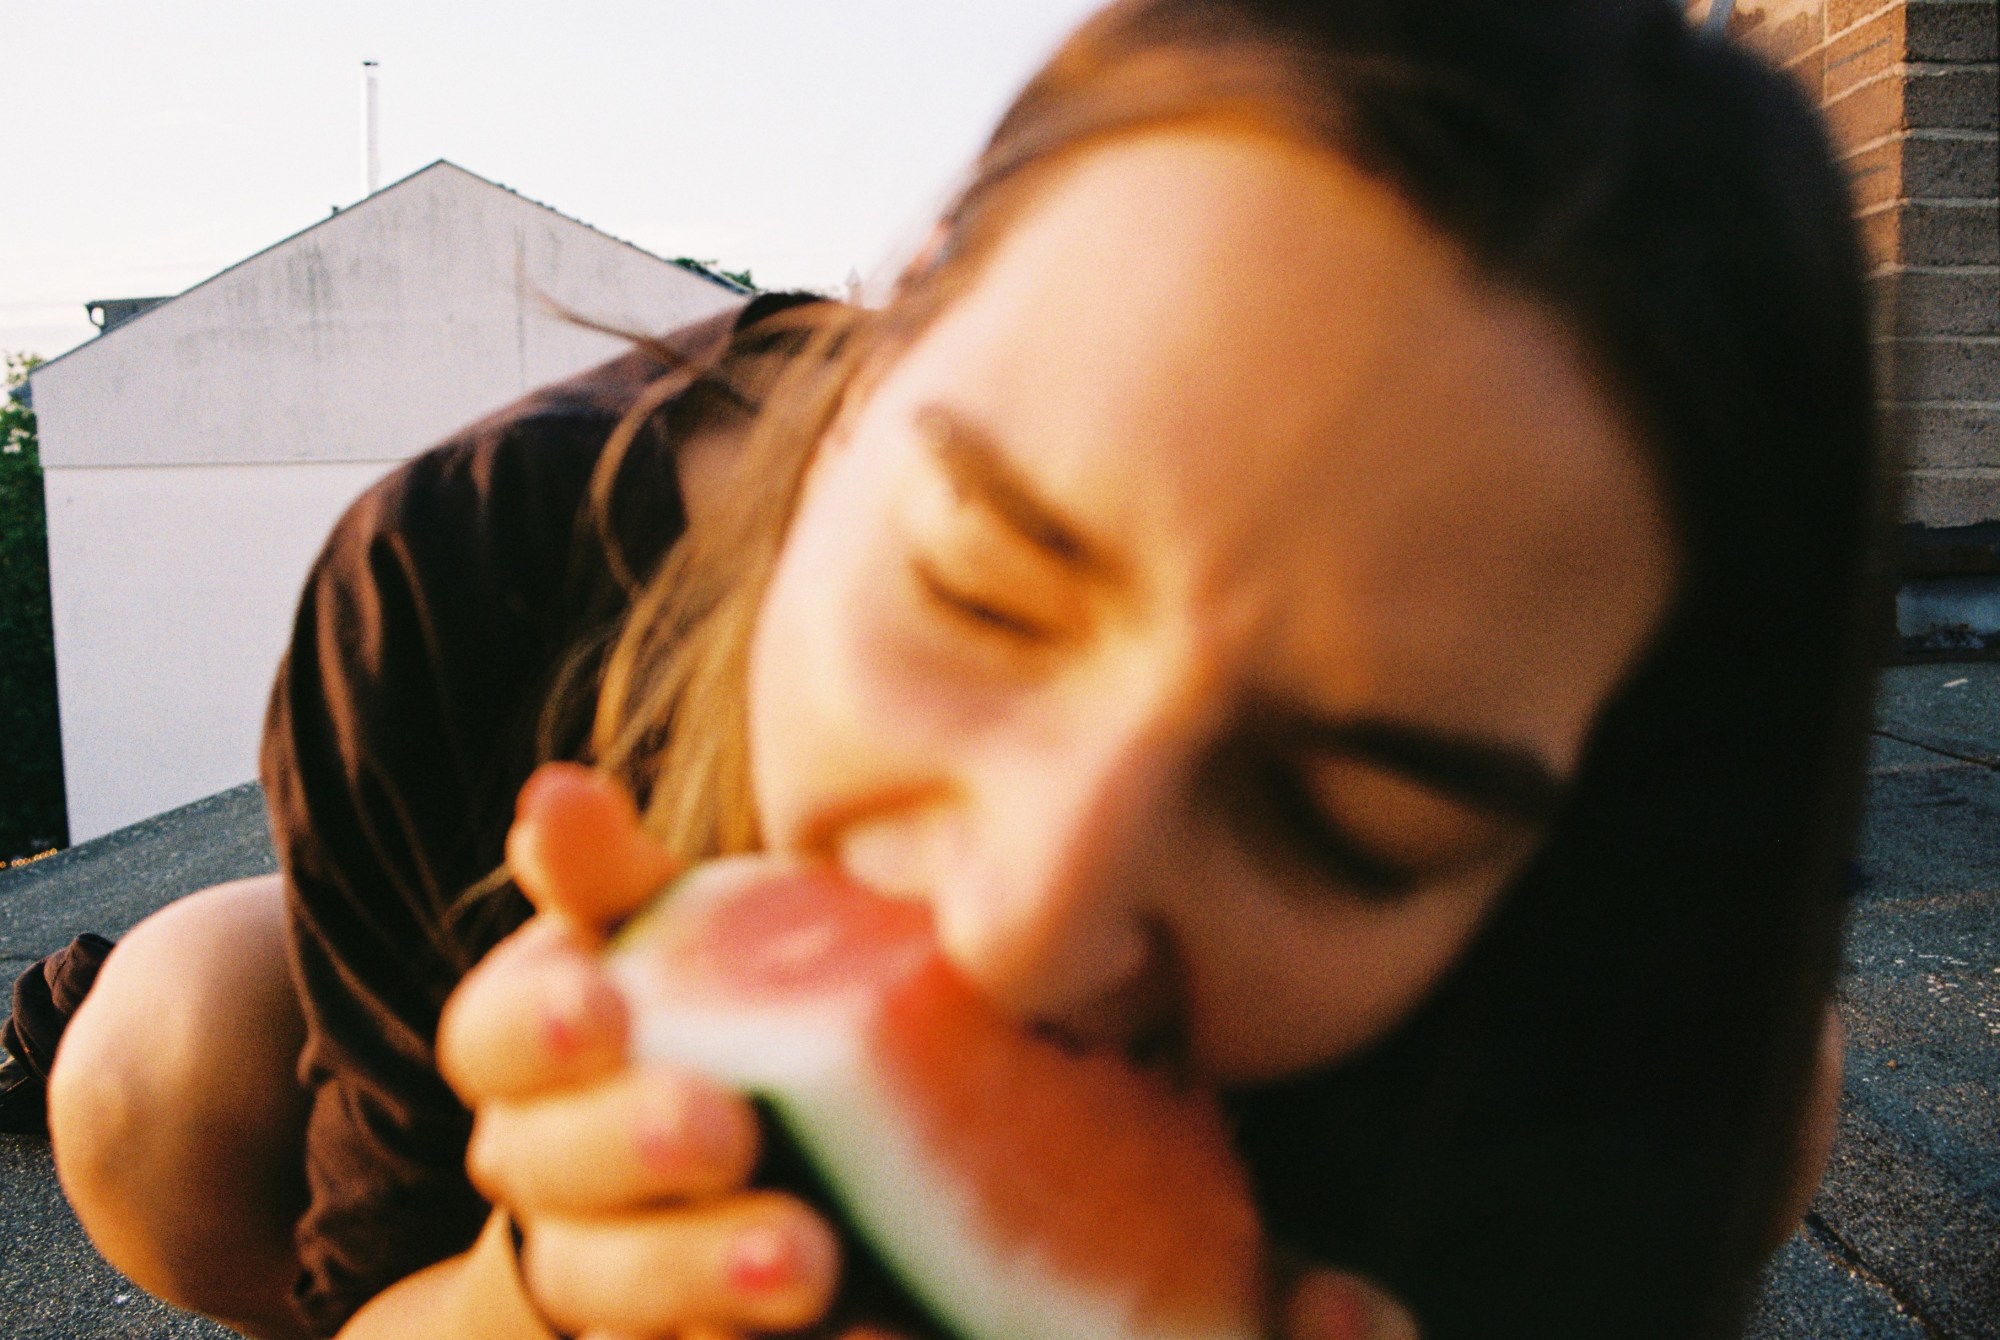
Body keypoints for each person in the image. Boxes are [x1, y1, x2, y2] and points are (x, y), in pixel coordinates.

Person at [28, 0, 1880, 1337]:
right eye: (985, 588)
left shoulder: (1646, 947)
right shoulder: (462, 578)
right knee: (160, 1067)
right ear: (893, 333)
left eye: (1351, 814)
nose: (1019, 927)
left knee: (1774, 1094)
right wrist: (535, 1294)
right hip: (376, 970)